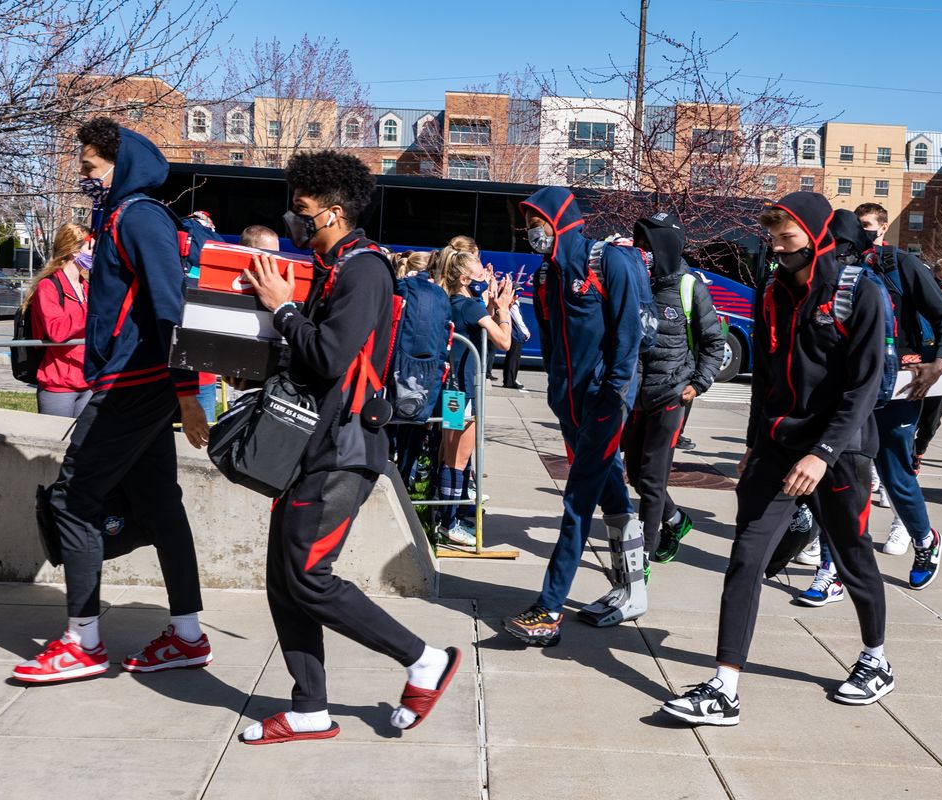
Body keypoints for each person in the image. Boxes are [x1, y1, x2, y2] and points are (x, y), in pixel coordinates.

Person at [237, 150, 462, 744]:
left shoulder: (364, 271)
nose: (294, 218)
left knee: (309, 574)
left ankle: (423, 660)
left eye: (303, 210)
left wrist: (282, 309)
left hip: (345, 450)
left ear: (334, 212)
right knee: (284, 579)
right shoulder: (331, 267)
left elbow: (331, 354)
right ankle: (309, 707)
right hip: (312, 445)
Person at [662, 192, 892, 726]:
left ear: (814, 239)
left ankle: (875, 659)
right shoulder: (769, 290)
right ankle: (724, 688)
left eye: (786, 240)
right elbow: (764, 377)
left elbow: (862, 388)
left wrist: (823, 452)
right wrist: (752, 443)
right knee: (747, 555)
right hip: (776, 446)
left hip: (839, 451)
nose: (776, 249)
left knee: (854, 555)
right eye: (772, 239)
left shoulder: (860, 292)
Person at [12, 118, 211, 684]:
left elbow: (170, 307)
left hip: (134, 382)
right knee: (160, 503)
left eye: (91, 167)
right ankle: (188, 636)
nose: (85, 176)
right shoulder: (124, 216)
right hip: (141, 382)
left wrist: (187, 395)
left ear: (118, 166)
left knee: (74, 499)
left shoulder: (138, 215)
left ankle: (83, 641)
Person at [502, 186, 648, 646]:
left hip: (606, 402)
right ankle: (634, 590)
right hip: (569, 403)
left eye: (537, 222)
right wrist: (558, 395)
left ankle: (548, 608)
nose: (532, 232)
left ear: (561, 219)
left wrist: (614, 393)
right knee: (611, 494)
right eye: (527, 224)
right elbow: (549, 344)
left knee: (577, 500)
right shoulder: (546, 276)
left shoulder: (609, 262)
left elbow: (631, 336)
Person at [854, 202, 942, 588]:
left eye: (866, 227)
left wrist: (941, 362)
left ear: (881, 229)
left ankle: (925, 539)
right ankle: (833, 559)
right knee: (844, 471)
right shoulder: (840, 268)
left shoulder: (902, 265)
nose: (859, 235)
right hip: (854, 387)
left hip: (901, 384)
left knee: (895, 474)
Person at [623, 212, 724, 569]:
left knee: (651, 480)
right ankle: (677, 520)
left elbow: (714, 343)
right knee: (634, 473)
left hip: (671, 394)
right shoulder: (636, 281)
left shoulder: (689, 288)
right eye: (639, 244)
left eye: (648, 244)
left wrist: (697, 384)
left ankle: (642, 556)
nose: (642, 250)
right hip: (637, 395)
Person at [435, 249, 515, 546]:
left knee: (451, 455)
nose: (487, 276)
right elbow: (505, 341)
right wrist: (503, 308)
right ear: (466, 278)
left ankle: (448, 518)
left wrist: (491, 305)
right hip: (461, 391)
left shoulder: (453, 302)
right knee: (458, 458)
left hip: (452, 387)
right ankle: (449, 523)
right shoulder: (469, 306)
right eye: (482, 273)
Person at [22, 223, 92, 418]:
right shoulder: (48, 286)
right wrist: (92, 308)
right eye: (90, 247)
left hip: (88, 381)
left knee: (84, 446)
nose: (95, 253)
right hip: (58, 384)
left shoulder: (86, 287)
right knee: (56, 446)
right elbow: (56, 331)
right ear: (74, 251)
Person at [913, 258, 942, 471]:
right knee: (910, 414)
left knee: (933, 419)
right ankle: (907, 455)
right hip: (916, 355)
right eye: (941, 280)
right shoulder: (918, 294)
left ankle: (919, 450)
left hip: (936, 357)